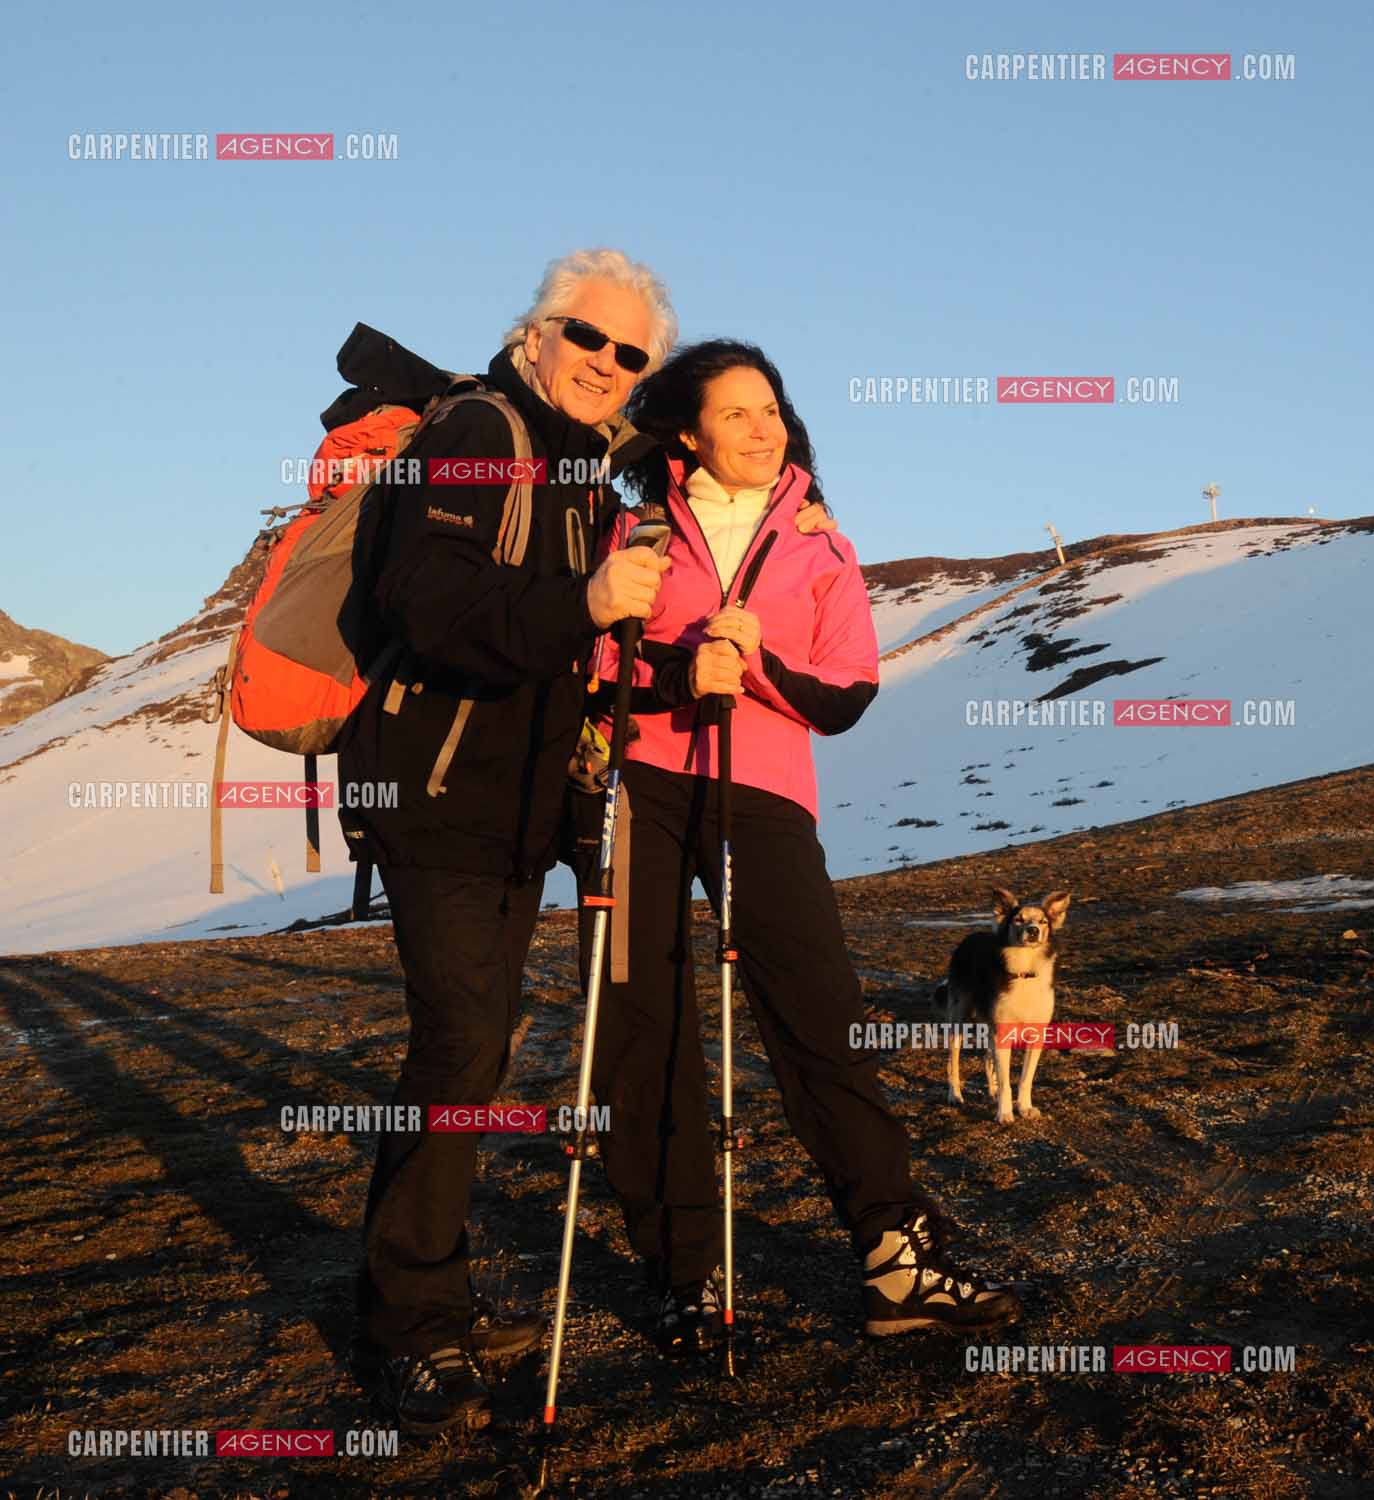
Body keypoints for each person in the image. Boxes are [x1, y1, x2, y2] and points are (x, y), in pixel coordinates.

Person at [582, 339, 1022, 1357]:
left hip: (764, 793)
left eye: (771, 408)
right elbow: (595, 656)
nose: (763, 426)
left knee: (821, 1015)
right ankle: (681, 1274)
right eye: (736, 412)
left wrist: (757, 662)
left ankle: (896, 1258)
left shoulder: (821, 546)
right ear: (685, 433)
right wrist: (680, 671)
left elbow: (850, 691)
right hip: (640, 789)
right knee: (645, 1031)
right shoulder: (632, 526)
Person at [337, 248, 678, 1437]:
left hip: (517, 804)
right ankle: (409, 1328)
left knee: (472, 1053)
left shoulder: (588, 475)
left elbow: (566, 653)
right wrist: (583, 604)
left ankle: (426, 1294)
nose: (607, 365)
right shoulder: (481, 429)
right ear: (538, 335)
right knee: (462, 1042)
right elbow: (422, 602)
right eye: (589, 338)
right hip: (436, 789)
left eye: (633, 355)